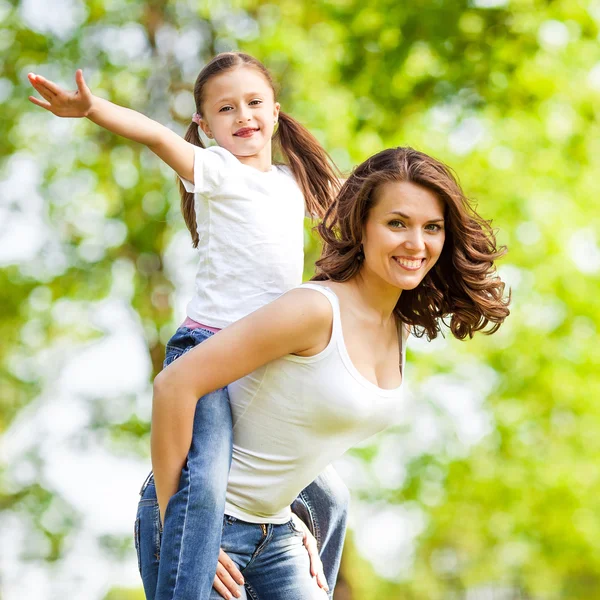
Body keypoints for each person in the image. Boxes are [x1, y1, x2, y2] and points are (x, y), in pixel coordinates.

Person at [26, 52, 348, 600]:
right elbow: (154, 135)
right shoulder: (218, 172)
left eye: (253, 103)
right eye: (225, 109)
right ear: (204, 125)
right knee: (204, 490)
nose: (242, 116)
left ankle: (317, 576)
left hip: (262, 362)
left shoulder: (294, 184)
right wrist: (91, 108)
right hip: (207, 354)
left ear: (274, 112)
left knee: (331, 500)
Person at [151, 146, 511, 599]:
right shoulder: (314, 310)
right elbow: (174, 384)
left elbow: (298, 422)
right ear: (362, 226)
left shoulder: (395, 326)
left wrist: (294, 510)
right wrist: (182, 527)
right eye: (397, 223)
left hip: (277, 532)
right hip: (206, 523)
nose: (416, 243)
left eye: (431, 227)